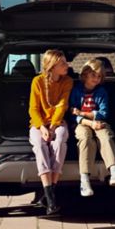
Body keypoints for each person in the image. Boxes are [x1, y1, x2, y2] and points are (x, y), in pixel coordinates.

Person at [28, 49, 73, 215]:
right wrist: (42, 128)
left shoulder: (67, 81)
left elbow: (62, 105)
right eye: (63, 63)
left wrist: (53, 127)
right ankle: (51, 198)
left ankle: (48, 198)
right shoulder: (37, 81)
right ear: (52, 66)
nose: (67, 65)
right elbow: (33, 109)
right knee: (40, 146)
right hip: (38, 124)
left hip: (57, 123)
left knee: (60, 141)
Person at [70, 58, 115, 197]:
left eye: (99, 76)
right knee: (85, 139)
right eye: (94, 75)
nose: (97, 79)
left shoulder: (102, 91)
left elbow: (104, 113)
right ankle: (85, 180)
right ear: (85, 74)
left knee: (105, 135)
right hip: (82, 123)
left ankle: (114, 172)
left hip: (99, 122)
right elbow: (73, 114)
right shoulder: (76, 91)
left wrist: (84, 114)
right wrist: (88, 120)